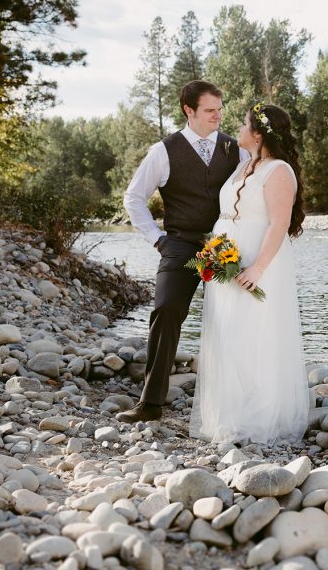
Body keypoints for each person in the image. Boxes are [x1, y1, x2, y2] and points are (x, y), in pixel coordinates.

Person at [118, 80, 243, 423]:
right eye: (210, 110)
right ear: (189, 110)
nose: (218, 115)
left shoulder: (236, 149)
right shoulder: (163, 150)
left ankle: (237, 400)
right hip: (180, 242)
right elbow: (134, 198)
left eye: (220, 108)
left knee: (236, 316)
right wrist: (157, 239)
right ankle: (151, 403)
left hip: (223, 245)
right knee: (167, 310)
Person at [190, 102, 309, 445]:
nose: (237, 131)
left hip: (259, 260)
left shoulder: (279, 171)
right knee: (227, 332)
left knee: (256, 333)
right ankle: (231, 412)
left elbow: (278, 223)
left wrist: (257, 268)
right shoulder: (244, 166)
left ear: (258, 134)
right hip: (225, 257)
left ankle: (260, 415)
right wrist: (211, 254)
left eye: (243, 125)